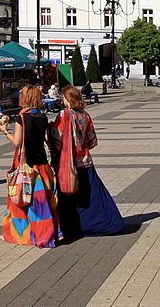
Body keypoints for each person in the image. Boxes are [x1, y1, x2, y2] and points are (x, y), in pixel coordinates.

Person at [51, 85, 124, 239]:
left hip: (68, 164)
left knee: (69, 197)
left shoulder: (63, 115)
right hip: (85, 161)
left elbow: (57, 140)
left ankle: (73, 226)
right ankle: (102, 222)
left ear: (67, 98)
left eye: (63, 97)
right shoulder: (85, 115)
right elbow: (92, 141)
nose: (62, 100)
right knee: (91, 195)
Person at [0, 85, 63, 247]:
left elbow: (17, 143)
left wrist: (4, 131)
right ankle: (51, 231)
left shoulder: (21, 118)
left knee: (22, 202)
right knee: (43, 204)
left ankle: (27, 235)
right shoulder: (42, 117)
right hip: (42, 166)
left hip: (27, 167)